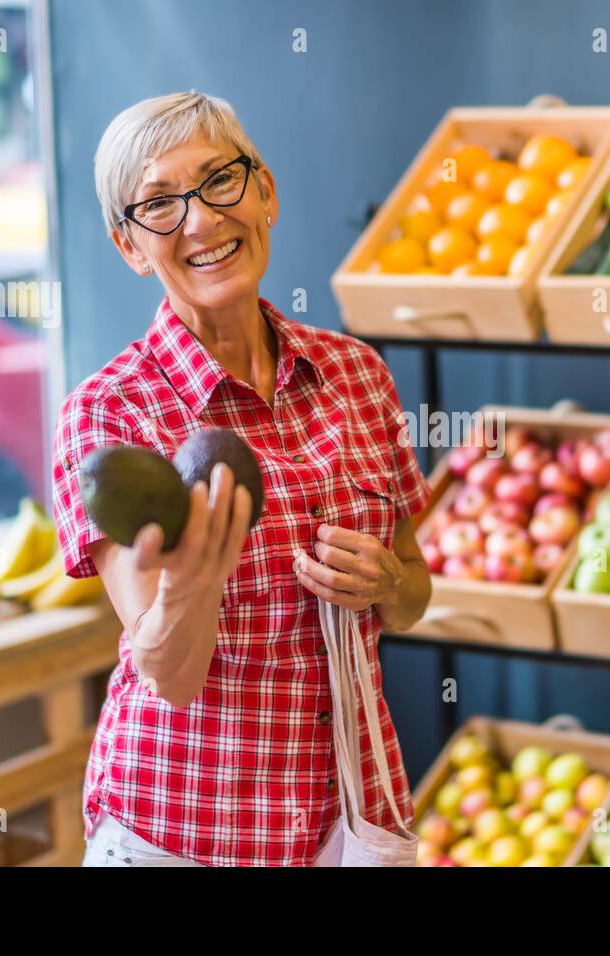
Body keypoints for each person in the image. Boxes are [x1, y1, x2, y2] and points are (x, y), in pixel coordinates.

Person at [51, 91, 431, 866]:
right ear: (129, 246)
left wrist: (388, 583)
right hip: (187, 829)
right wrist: (196, 579)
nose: (199, 220)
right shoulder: (109, 415)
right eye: (158, 203)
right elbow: (170, 674)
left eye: (219, 180)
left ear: (265, 193)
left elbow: (416, 595)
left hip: (347, 822)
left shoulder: (357, 372)